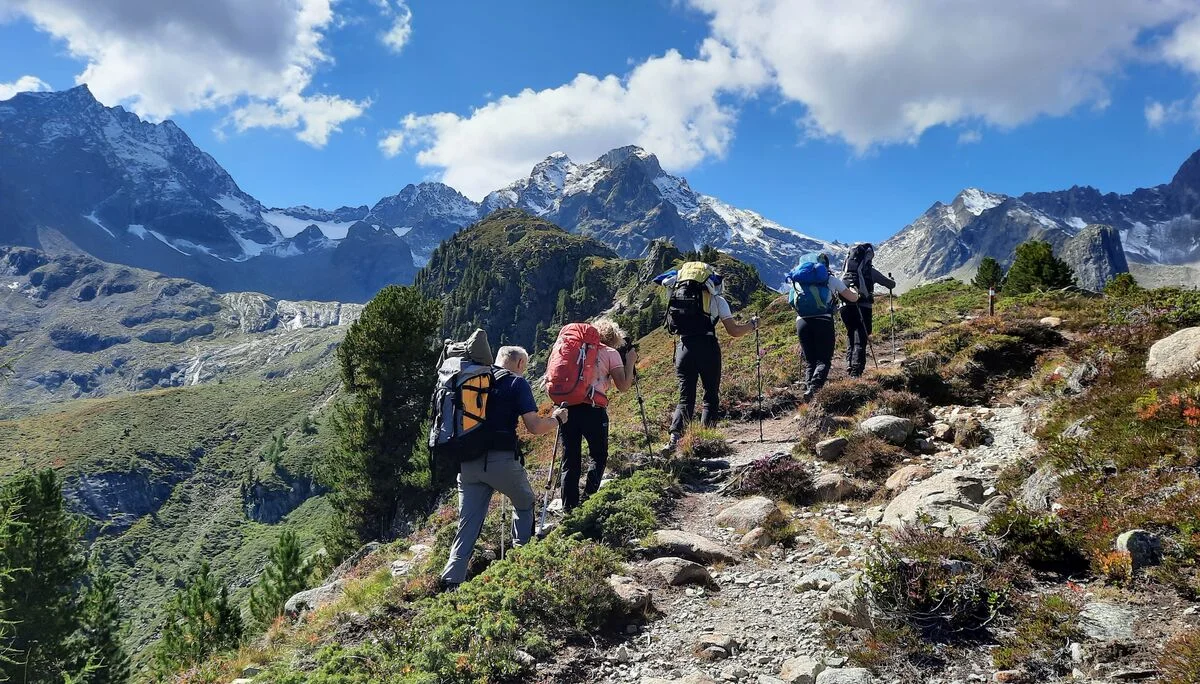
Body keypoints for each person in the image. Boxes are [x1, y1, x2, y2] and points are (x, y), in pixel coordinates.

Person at [439, 345, 567, 591]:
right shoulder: (516, 384)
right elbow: (534, 427)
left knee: (468, 521)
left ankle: (452, 579)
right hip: (501, 461)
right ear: (519, 364)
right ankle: (523, 561)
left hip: (467, 464)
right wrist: (557, 419)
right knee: (524, 501)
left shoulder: (472, 379)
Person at [656, 263, 757, 451]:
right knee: (710, 395)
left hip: (683, 347)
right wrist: (752, 325)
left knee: (685, 397)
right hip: (707, 347)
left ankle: (674, 438)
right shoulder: (717, 300)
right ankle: (704, 439)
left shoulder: (675, 294)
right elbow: (733, 331)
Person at [558, 318, 638, 512]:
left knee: (570, 457)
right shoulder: (610, 353)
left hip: (567, 407)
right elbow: (624, 386)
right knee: (598, 455)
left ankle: (569, 507)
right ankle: (589, 498)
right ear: (613, 337)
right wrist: (631, 362)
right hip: (593, 409)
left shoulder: (574, 350)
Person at [788, 253, 859, 402]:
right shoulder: (830, 279)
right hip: (823, 321)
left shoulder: (799, 279)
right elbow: (852, 298)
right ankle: (814, 388)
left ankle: (809, 391)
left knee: (810, 361)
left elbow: (791, 302)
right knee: (823, 360)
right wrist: (855, 291)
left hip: (801, 322)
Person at [839, 243, 896, 377]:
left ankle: (849, 363)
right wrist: (892, 280)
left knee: (851, 333)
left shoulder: (845, 271)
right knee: (861, 337)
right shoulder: (869, 270)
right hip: (863, 306)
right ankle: (856, 371)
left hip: (844, 306)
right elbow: (889, 284)